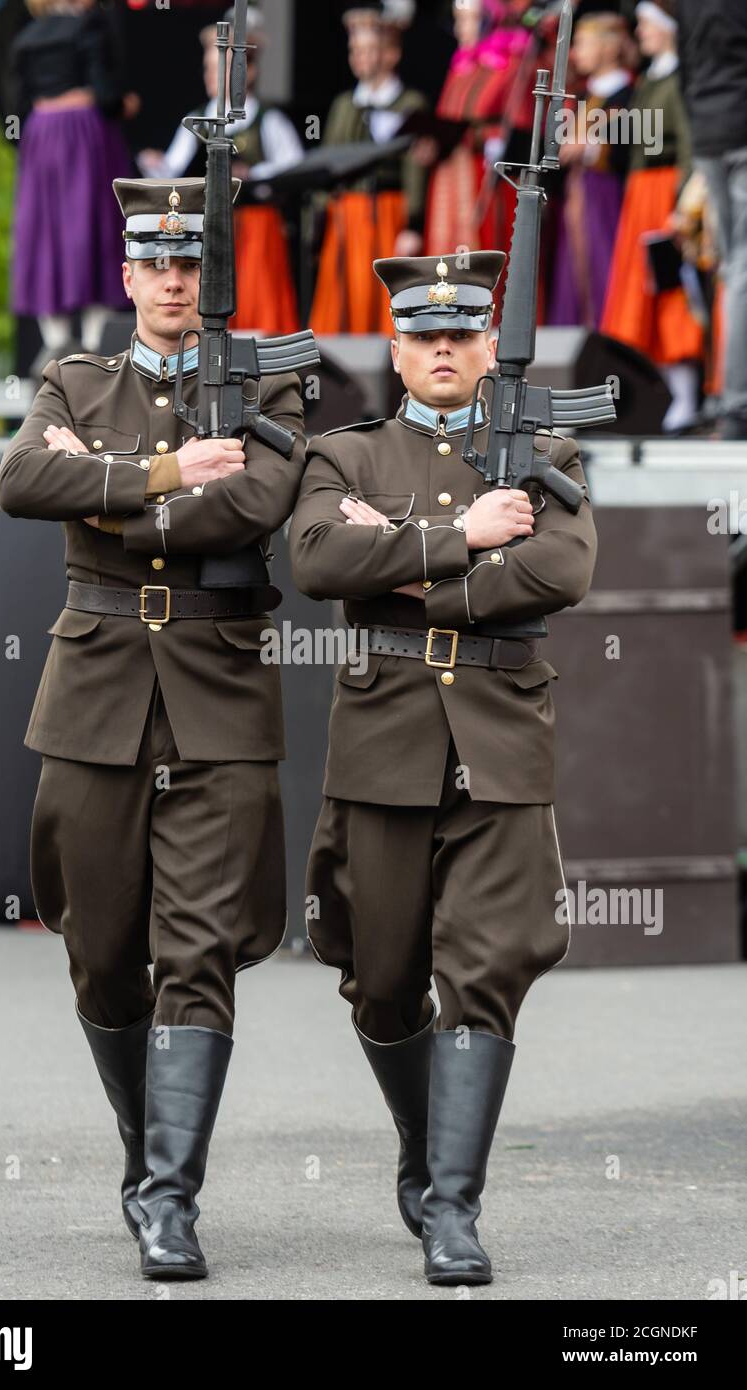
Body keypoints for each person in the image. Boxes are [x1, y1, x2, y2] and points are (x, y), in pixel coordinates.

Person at [0, 176, 306, 1280]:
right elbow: (20, 478)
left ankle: (171, 1198)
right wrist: (166, 471)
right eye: (157, 264)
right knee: (98, 950)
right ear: (128, 277)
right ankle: (145, 1156)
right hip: (95, 692)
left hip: (220, 692)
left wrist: (103, 491)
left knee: (199, 952)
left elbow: (255, 505)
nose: (176, 279)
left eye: (193, 264)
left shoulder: (272, 378)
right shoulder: (72, 376)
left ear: (211, 279)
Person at [290, 252, 597, 1285]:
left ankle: (454, 1210)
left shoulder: (543, 448)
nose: (441, 348)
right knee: (379, 980)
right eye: (422, 334)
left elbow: (561, 570)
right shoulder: (345, 456)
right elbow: (318, 560)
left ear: (482, 345)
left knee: (484, 969)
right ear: (394, 346)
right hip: (382, 747)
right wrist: (458, 539)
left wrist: (417, 576)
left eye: (461, 333)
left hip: (502, 741)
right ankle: (425, 1155)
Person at [138, 5, 303, 335]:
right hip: (212, 229)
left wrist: (252, 173)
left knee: (258, 300)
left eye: (220, 69)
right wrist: (153, 163)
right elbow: (172, 167)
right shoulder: (197, 117)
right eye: (208, 69)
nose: (211, 78)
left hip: (256, 226)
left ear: (247, 71)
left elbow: (294, 166)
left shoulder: (266, 119)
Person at [10, 0, 139, 359]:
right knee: (94, 230)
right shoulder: (89, 28)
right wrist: (122, 104)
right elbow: (106, 94)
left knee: (45, 236)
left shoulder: (26, 37)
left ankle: (55, 347)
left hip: (40, 138)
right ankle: (96, 348)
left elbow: (16, 108)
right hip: (85, 136)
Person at [600, 0, 703, 432]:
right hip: (640, 194)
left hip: (664, 191)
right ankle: (657, 391)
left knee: (669, 290)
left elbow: (688, 144)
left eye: (646, 25)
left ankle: (687, 393)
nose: (640, 33)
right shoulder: (649, 80)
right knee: (639, 293)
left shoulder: (679, 78)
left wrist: (682, 200)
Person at [309, 2, 429, 334]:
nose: (359, 57)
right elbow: (327, 164)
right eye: (354, 50)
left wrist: (412, 224)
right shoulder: (344, 104)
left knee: (383, 301)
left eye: (369, 49)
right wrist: (320, 221)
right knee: (342, 307)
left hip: (387, 213)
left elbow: (414, 168)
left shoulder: (409, 103)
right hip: (345, 215)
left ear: (391, 54)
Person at [676, 0, 747, 439]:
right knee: (741, 267)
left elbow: (686, 68)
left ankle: (729, 399)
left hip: (708, 130)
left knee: (731, 267)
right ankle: (736, 402)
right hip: (739, 130)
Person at [420, 0, 534, 264]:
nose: (460, 29)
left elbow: (518, 123)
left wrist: (489, 138)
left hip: (485, 171)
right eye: (457, 20)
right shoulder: (461, 66)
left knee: (481, 253)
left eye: (467, 20)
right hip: (451, 170)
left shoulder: (510, 63)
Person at [547, 12, 634, 328]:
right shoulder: (583, 96)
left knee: (607, 271)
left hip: (610, 200)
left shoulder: (629, 95)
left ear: (608, 47)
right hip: (578, 199)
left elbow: (634, 147)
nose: (575, 52)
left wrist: (592, 146)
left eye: (583, 43)